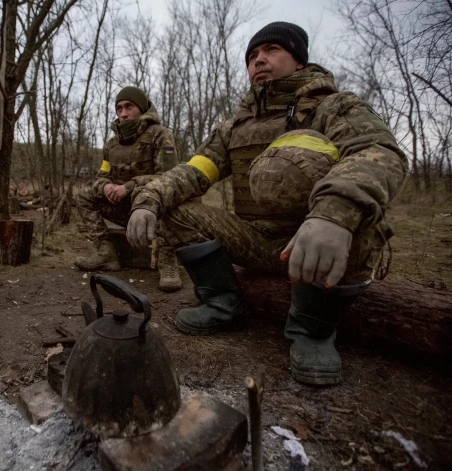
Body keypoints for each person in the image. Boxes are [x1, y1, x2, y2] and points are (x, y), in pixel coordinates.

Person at [126, 22, 407, 385]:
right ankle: (225, 304)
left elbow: (379, 153)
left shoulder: (334, 107)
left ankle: (312, 331)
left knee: (365, 222)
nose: (259, 60)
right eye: (252, 56)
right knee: (176, 209)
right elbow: (193, 172)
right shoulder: (235, 127)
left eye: (272, 51)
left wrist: (333, 213)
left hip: (314, 243)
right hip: (255, 242)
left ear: (301, 64)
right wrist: (148, 200)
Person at [74, 86, 182, 292]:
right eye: (119, 108)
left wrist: (129, 187)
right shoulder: (111, 145)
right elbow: (101, 176)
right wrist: (106, 187)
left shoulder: (161, 135)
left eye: (129, 107)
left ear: (141, 108)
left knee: (170, 199)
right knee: (83, 197)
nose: (123, 114)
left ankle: (168, 260)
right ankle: (106, 252)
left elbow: (170, 178)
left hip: (155, 210)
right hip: (126, 209)